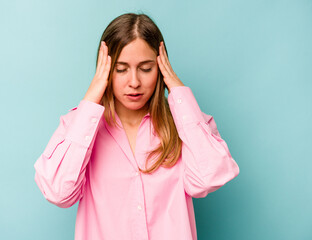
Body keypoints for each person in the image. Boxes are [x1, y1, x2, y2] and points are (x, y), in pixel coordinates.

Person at [34, 12, 240, 240]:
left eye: (145, 68)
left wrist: (177, 90)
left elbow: (208, 178)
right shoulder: (78, 127)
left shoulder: (184, 124)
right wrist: (92, 98)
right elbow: (59, 193)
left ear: (161, 68)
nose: (134, 82)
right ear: (106, 70)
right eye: (121, 69)